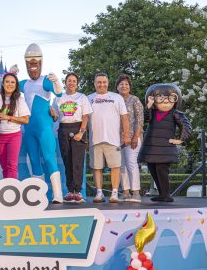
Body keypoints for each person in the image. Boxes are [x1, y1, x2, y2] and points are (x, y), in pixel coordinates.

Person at [19, 43, 64, 203]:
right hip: (29, 129)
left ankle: (57, 195)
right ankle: (39, 195)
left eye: (35, 61)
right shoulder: (24, 83)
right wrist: (9, 74)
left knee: (49, 157)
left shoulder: (45, 80)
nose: (32, 65)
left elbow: (59, 92)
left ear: (41, 62)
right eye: (29, 62)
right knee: (34, 160)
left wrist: (57, 81)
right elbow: (7, 89)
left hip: (44, 128)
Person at [139, 83, 192, 202]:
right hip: (151, 148)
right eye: (160, 98)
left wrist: (181, 140)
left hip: (165, 148)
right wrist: (148, 105)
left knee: (161, 170)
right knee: (152, 168)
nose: (165, 102)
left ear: (175, 99)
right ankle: (162, 194)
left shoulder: (175, 114)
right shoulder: (152, 113)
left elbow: (186, 126)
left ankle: (166, 194)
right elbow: (143, 118)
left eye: (170, 98)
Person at [87, 73, 130, 203]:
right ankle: (99, 193)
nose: (101, 84)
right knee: (96, 167)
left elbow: (124, 118)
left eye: (104, 82)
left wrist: (126, 135)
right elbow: (83, 119)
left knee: (115, 167)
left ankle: (114, 193)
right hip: (95, 139)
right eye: (99, 82)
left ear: (108, 83)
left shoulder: (117, 98)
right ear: (94, 83)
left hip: (113, 139)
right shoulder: (88, 98)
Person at [53, 73, 92, 204]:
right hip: (63, 129)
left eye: (74, 81)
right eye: (69, 80)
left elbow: (86, 116)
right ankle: (70, 192)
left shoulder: (82, 97)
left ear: (77, 83)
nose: (71, 83)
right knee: (67, 161)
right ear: (65, 82)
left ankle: (78, 192)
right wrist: (52, 114)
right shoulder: (59, 98)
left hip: (78, 128)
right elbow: (55, 117)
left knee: (77, 161)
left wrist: (81, 132)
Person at [0, 73, 30, 179]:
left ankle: (12, 192)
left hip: (14, 136)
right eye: (7, 81)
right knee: (4, 167)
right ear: (3, 84)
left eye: (12, 82)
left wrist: (8, 117)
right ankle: (7, 191)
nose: (9, 84)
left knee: (12, 166)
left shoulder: (20, 100)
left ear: (16, 85)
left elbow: (26, 120)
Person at [116, 74, 144, 203]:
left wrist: (135, 137)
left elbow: (140, 119)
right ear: (117, 87)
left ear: (130, 87)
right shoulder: (115, 100)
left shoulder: (134, 100)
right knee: (121, 166)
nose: (124, 86)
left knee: (131, 164)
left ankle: (136, 192)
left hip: (133, 137)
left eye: (126, 84)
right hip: (117, 139)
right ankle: (125, 192)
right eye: (121, 84)